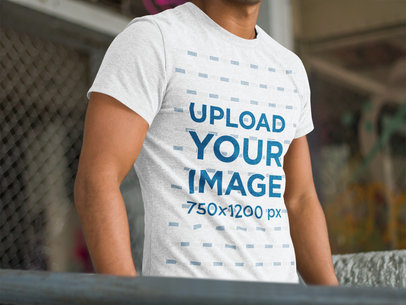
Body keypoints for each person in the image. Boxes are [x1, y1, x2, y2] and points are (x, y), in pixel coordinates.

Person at [74, 0, 339, 285]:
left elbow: (300, 200)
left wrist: (332, 296)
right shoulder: (154, 40)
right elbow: (97, 179)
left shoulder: (290, 69)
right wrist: (126, 295)